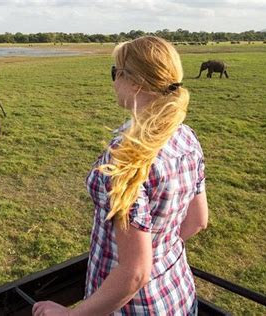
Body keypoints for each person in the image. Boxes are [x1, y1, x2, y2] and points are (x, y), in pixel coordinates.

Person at [32, 36, 208, 315]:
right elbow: (198, 221)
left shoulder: (125, 158)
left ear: (135, 82)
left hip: (133, 307)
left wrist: (69, 314)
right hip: (178, 296)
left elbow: (135, 272)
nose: (113, 82)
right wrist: (157, 252)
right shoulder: (186, 138)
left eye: (115, 73)